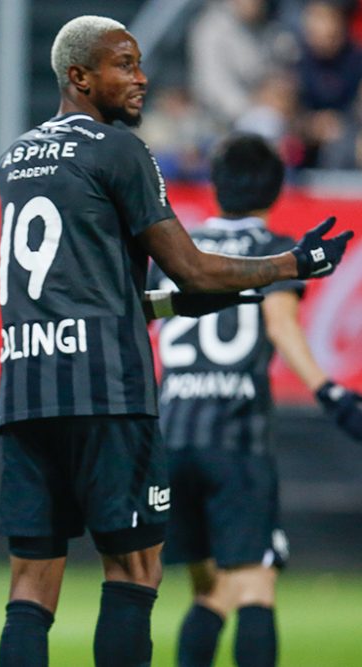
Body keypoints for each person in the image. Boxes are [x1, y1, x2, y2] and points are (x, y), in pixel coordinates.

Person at [0, 15, 353, 667]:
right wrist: (291, 265)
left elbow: (143, 292)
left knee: (30, 584)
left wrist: (209, 292)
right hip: (109, 392)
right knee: (133, 570)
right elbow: (191, 266)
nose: (142, 77)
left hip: (24, 388)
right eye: (123, 64)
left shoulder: (12, 158)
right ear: (79, 77)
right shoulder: (118, 149)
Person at [148, 133, 362, 667]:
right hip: (236, 441)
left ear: (216, 186)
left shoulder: (179, 249)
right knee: (254, 588)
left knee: (209, 592)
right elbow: (281, 325)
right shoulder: (276, 248)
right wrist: (329, 392)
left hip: (171, 438)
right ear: (275, 189)